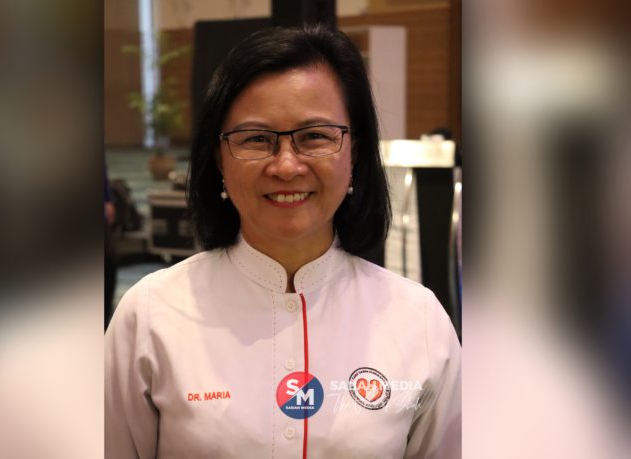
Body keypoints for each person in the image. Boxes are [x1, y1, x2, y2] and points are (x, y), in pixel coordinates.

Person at [105, 25, 461, 458]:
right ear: (218, 158)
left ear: (355, 152)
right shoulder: (150, 316)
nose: (287, 166)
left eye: (315, 136)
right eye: (256, 139)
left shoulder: (418, 321)